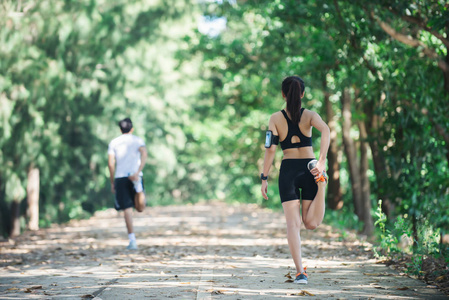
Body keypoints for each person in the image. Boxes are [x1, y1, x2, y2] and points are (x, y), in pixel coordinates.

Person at [261, 76, 330, 284]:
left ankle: (301, 272)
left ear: (283, 94)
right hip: (310, 169)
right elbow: (326, 130)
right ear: (302, 93)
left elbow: (271, 149)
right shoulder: (310, 115)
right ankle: (322, 185)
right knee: (311, 223)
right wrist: (322, 160)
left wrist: (264, 177)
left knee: (294, 225)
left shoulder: (275, 118)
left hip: (289, 171)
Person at [108, 117, 147, 250]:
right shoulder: (138, 140)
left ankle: (132, 240)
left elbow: (111, 163)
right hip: (135, 174)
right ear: (132, 129)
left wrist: (112, 181)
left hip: (120, 176)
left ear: (120, 129)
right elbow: (144, 154)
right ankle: (139, 187)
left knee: (127, 209)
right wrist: (139, 171)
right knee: (140, 208)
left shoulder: (114, 142)